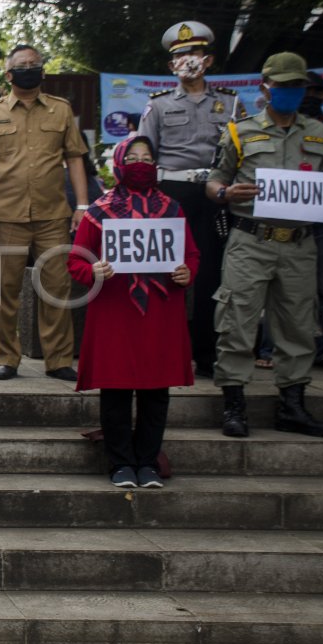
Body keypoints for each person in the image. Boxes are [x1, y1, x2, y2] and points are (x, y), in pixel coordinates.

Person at [205, 52, 323, 439]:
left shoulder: (318, 133)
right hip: (251, 240)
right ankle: (233, 406)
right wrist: (226, 192)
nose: (290, 93)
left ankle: (293, 406)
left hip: (300, 244)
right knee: (237, 320)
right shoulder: (239, 132)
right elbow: (214, 180)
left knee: (299, 325)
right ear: (266, 87)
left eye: (297, 86)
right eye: (282, 86)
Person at [68, 134, 199, 488]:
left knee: (157, 391)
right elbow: (76, 262)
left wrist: (187, 273)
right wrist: (93, 271)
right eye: (134, 156)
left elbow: (190, 255)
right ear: (120, 164)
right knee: (116, 389)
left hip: (160, 311)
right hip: (115, 312)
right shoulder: (98, 212)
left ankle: (149, 462)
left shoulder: (171, 209)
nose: (141, 163)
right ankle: (121, 463)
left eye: (147, 156)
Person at [0, 44, 89, 381]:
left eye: (34, 64)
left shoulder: (61, 111)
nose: (28, 69)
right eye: (21, 65)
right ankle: (7, 357)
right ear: (9, 74)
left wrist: (82, 205)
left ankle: (58, 359)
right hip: (6, 215)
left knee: (56, 288)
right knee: (4, 293)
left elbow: (75, 158)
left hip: (52, 215)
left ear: (43, 71)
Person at [136, 21, 244, 378]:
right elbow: (143, 154)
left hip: (215, 196)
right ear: (171, 66)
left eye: (194, 53)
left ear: (208, 60)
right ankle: (164, 348)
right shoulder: (159, 106)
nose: (188, 61)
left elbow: (243, 156)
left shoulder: (230, 104)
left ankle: (207, 353)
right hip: (172, 195)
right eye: (180, 56)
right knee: (166, 271)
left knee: (211, 273)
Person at [256, 70, 323, 371]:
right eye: (300, 91)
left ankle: (318, 352)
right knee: (274, 288)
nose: (308, 98)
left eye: (313, 92)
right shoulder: (266, 132)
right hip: (276, 226)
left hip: (320, 226)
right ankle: (268, 350)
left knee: (318, 289)